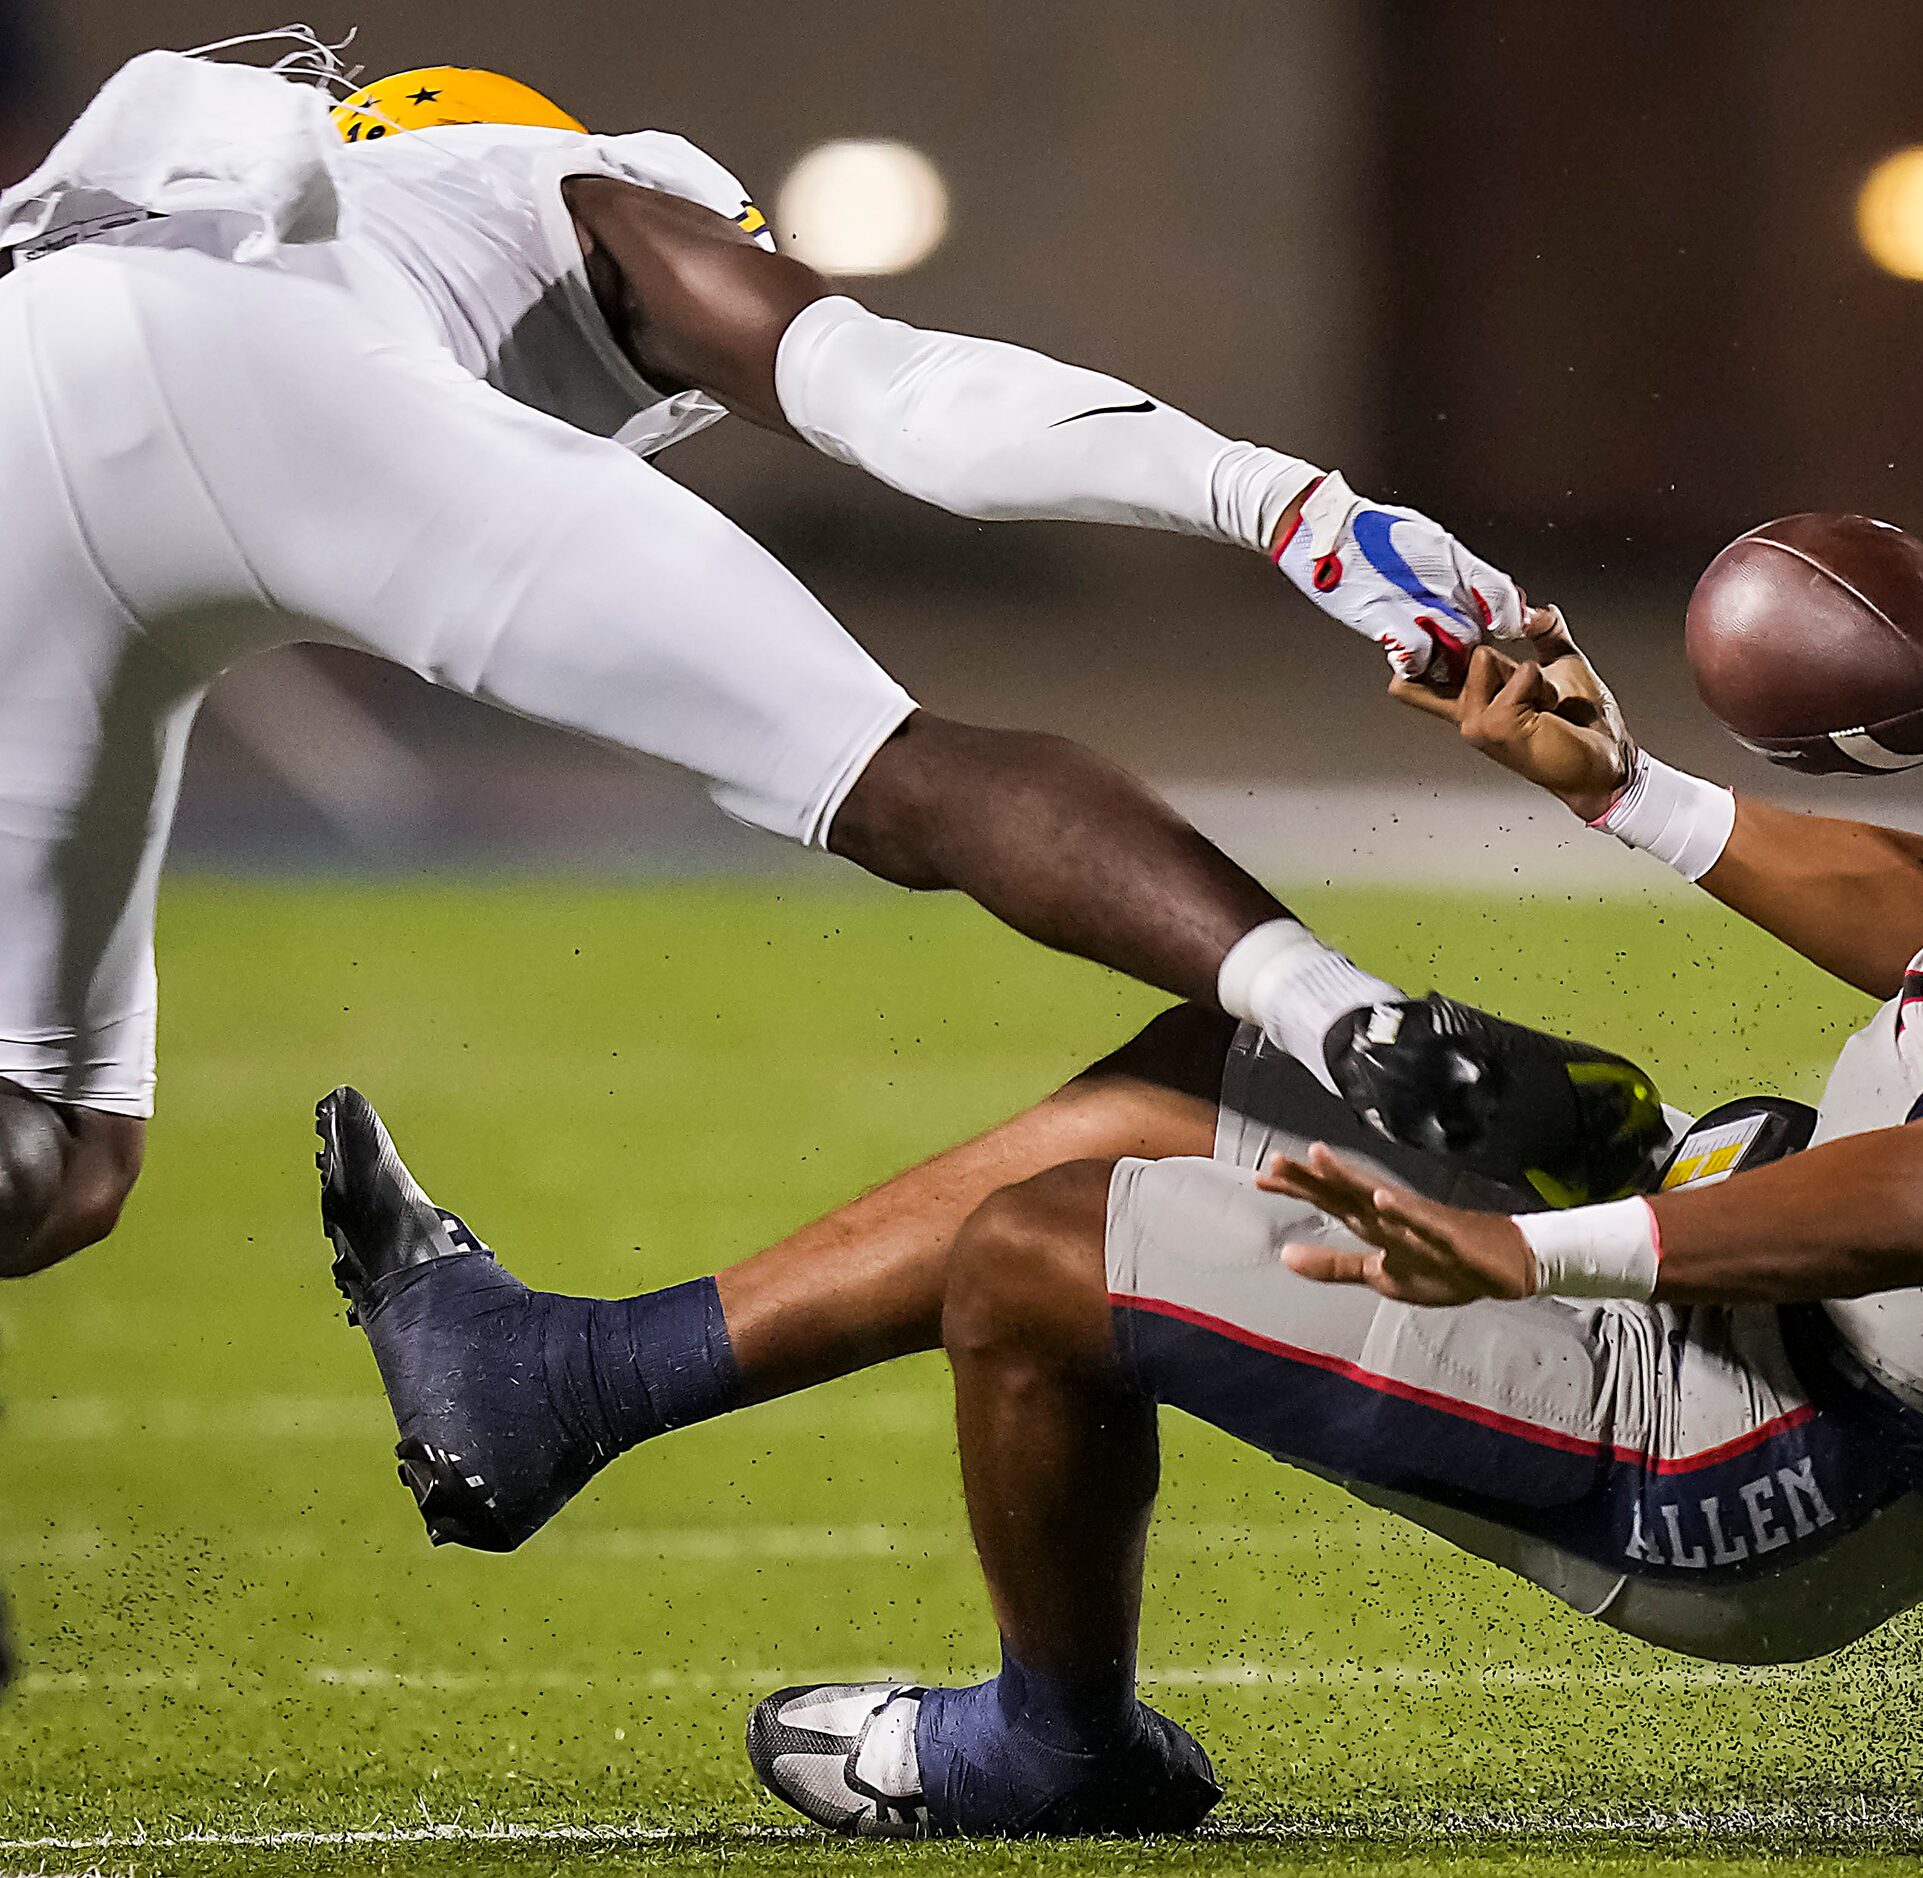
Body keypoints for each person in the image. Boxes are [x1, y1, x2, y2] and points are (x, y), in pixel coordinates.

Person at [318, 279, 1923, 1837]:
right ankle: (562, 1387)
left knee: (1048, 1258)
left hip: (1794, 1454)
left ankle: (1057, 1751)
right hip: (1796, 1310)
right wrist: (1616, 788)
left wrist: (1528, 1258)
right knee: (1198, 1078)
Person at [0, 38, 1636, 1291]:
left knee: (63, 1162)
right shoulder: (551, 190)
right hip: (265, 395)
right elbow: (906, 403)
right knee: (904, 769)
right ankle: (1344, 1019)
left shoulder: (179, 206)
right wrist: (1285, 505)